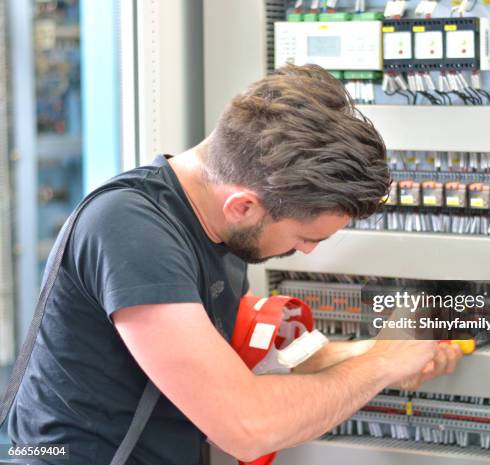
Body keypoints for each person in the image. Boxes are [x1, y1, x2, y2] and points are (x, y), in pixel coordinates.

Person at [7, 64, 462, 465]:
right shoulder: (128, 230)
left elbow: (234, 351)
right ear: (243, 206)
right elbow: (247, 427)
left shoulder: (215, 227)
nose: (307, 252)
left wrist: (353, 352)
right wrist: (380, 364)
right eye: (306, 237)